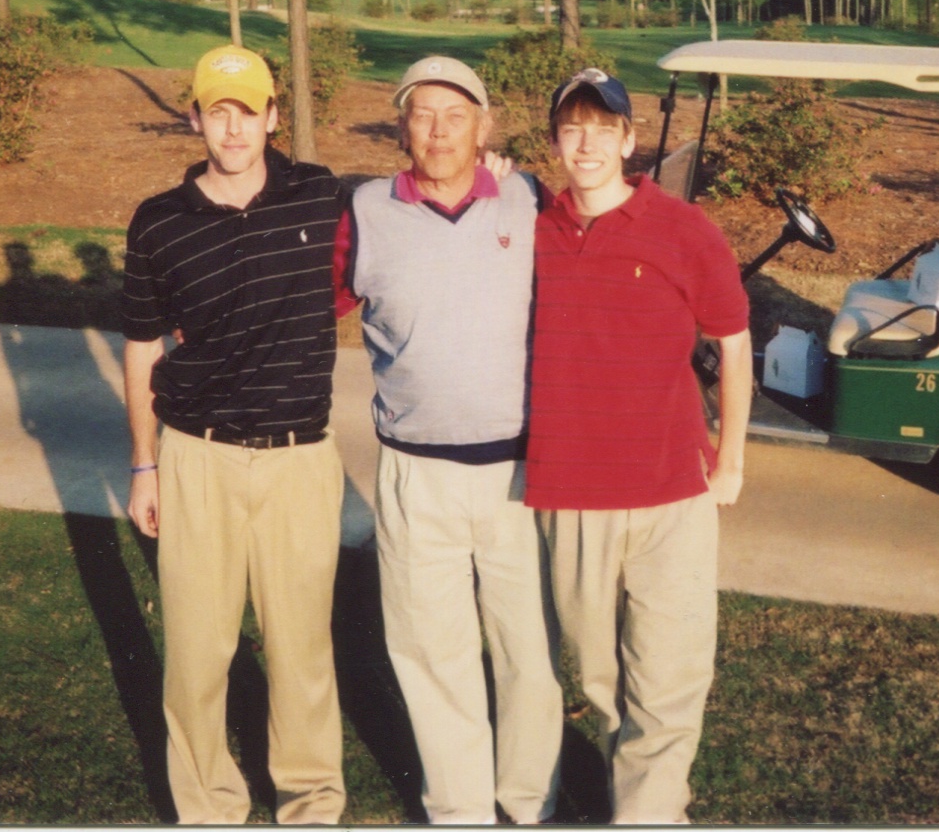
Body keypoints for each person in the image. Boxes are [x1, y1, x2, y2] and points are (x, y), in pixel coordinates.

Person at [332, 56, 563, 825]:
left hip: (519, 474)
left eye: (455, 115)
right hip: (413, 472)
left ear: (484, 126)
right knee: (434, 656)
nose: (437, 131)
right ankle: (460, 811)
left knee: (527, 651)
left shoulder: (529, 199)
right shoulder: (364, 209)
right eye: (422, 114)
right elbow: (306, 306)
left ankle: (527, 804)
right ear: (401, 124)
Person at [122, 44, 347, 825]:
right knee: (194, 655)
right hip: (197, 456)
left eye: (247, 111)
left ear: (273, 117)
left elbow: (418, 211)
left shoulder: (321, 199)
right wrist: (144, 467)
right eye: (217, 111)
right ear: (194, 119)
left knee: (301, 655)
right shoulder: (158, 222)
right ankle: (208, 807)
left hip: (299, 459)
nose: (233, 128)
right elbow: (142, 345)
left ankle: (311, 803)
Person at [524, 67, 753, 824]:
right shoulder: (530, 230)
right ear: (556, 139)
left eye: (602, 128)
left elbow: (734, 342)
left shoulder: (685, 231)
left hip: (669, 497)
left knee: (667, 675)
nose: (586, 143)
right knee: (599, 678)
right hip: (571, 495)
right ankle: (641, 793)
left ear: (628, 138)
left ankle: (649, 814)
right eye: (571, 128)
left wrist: (730, 460)